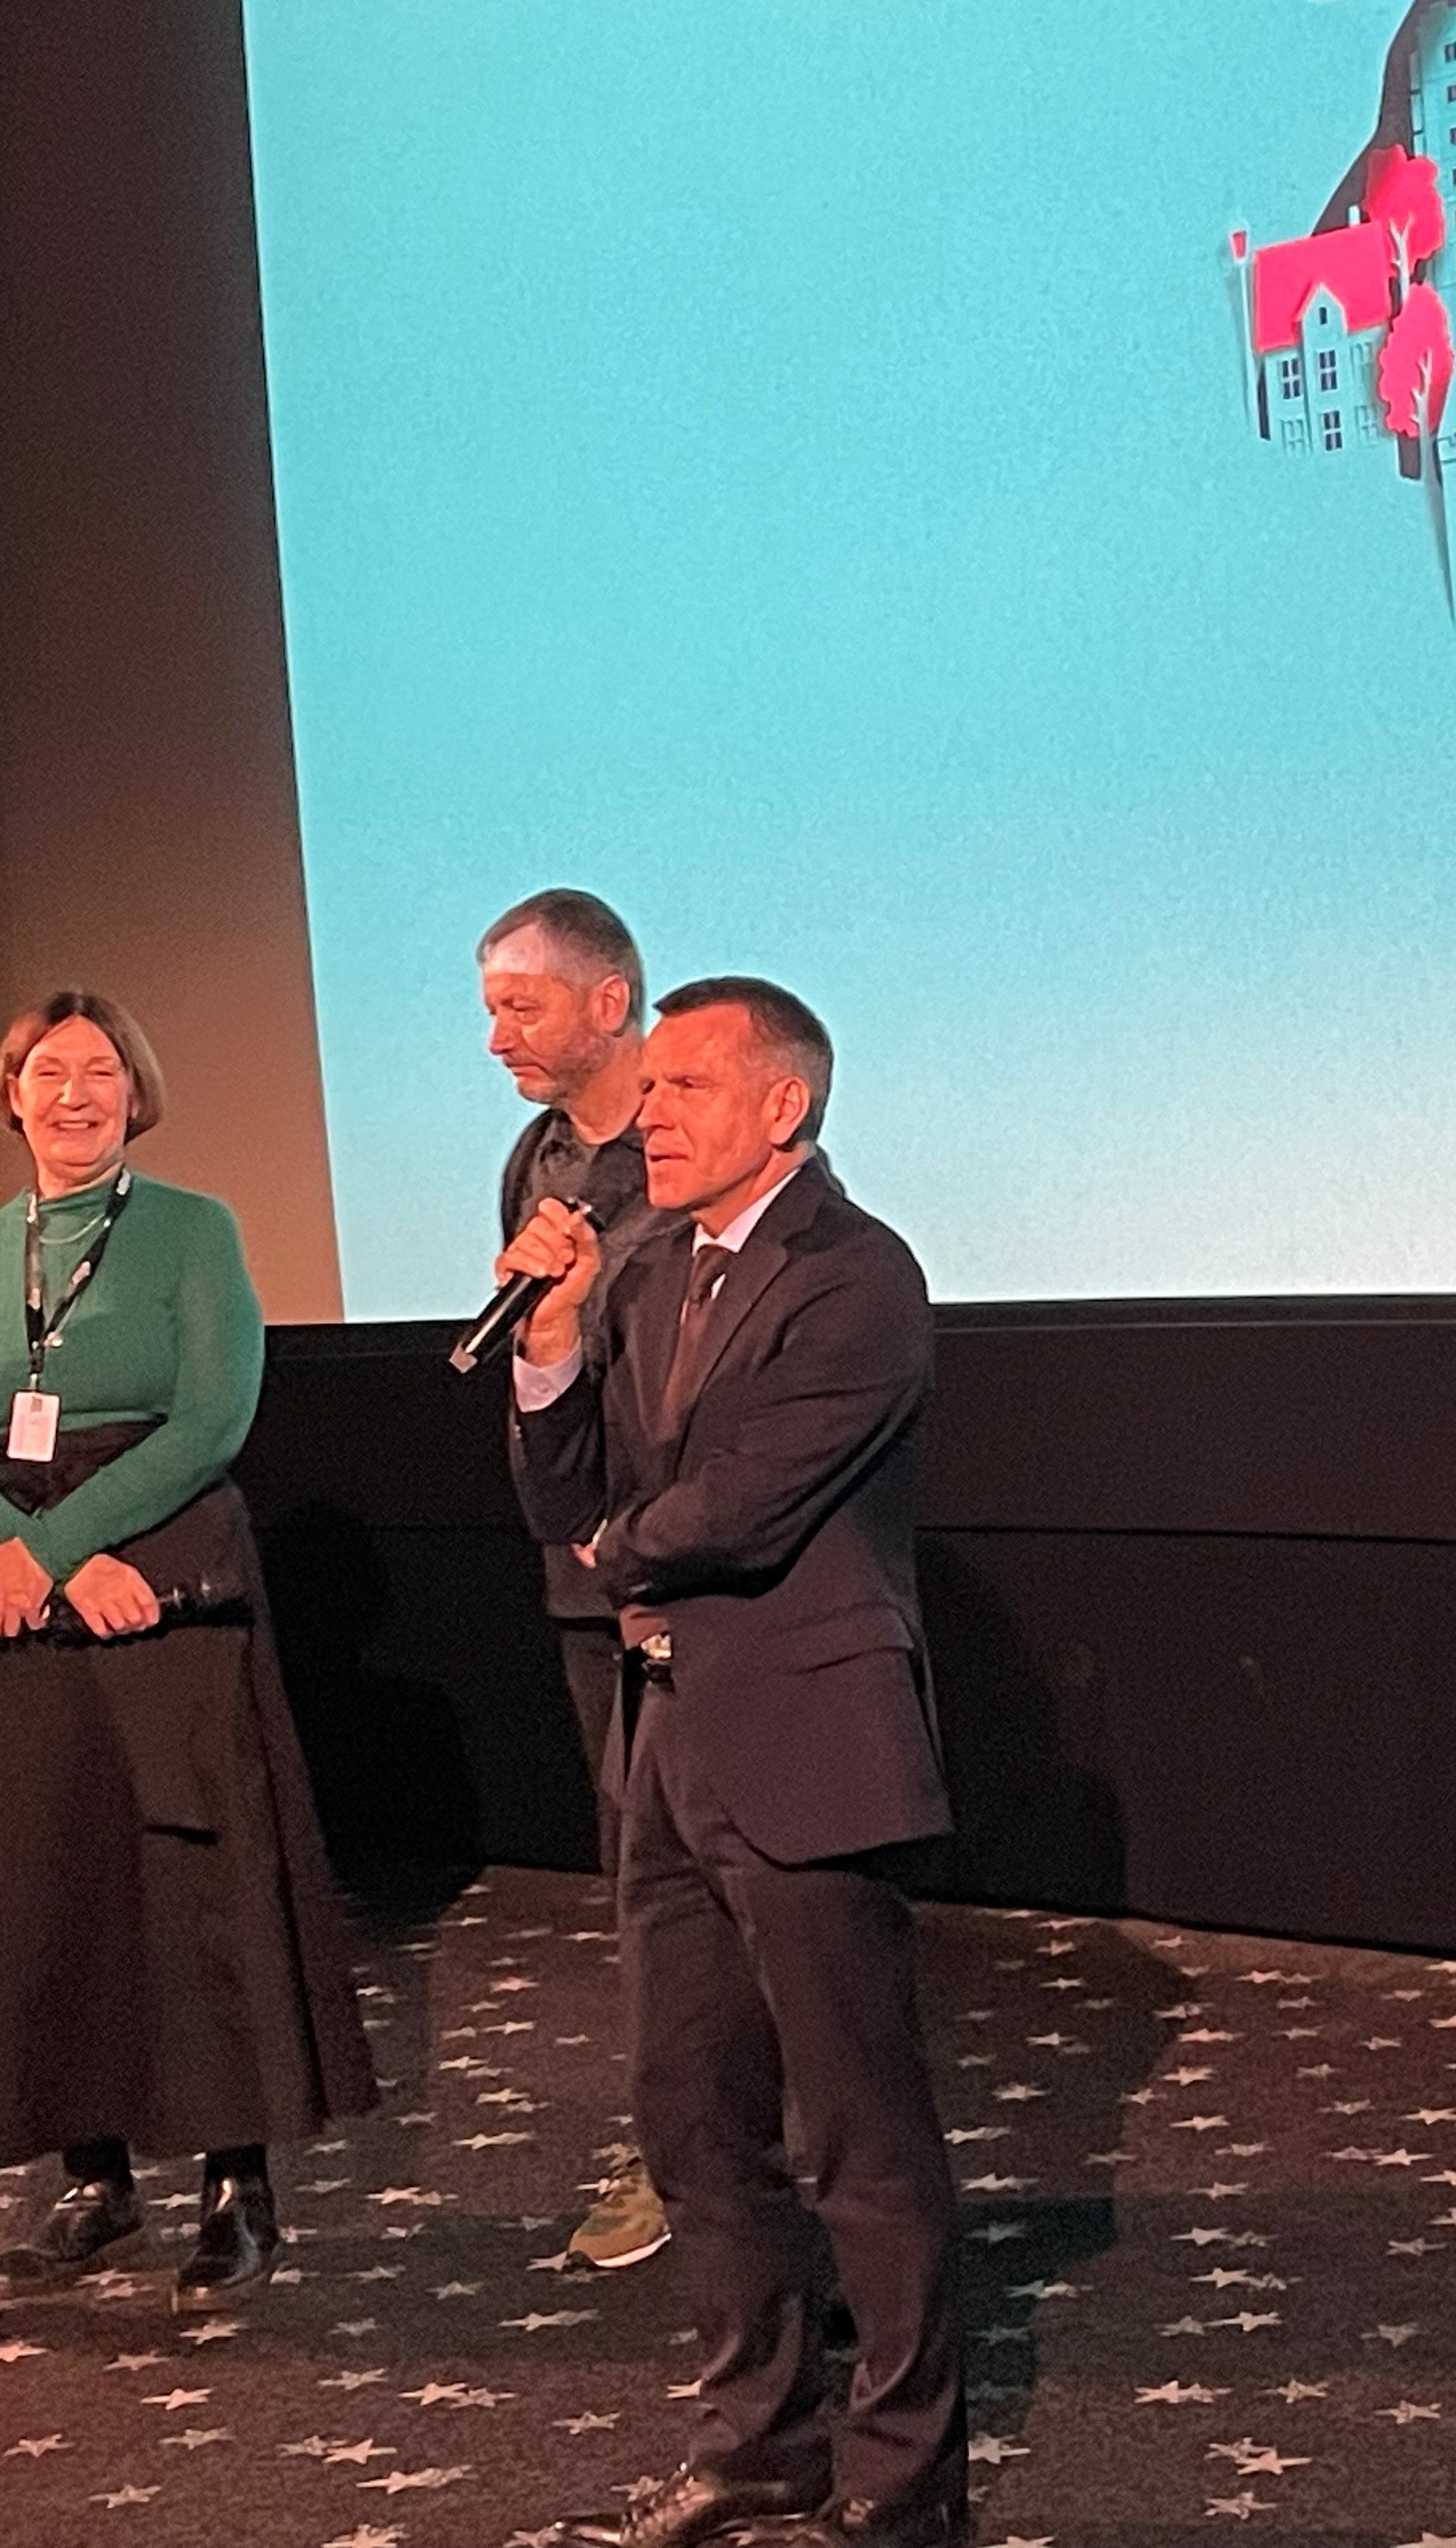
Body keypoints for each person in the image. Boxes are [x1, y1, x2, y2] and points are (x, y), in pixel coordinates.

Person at [510, 979, 965, 2548]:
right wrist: (549, 1342)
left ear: (785, 1106)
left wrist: (618, 1548)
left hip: (811, 1743)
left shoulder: (859, 1275)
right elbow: (563, 1497)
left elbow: (746, 1507)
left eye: (687, 1086)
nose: (651, 1114)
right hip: (667, 1743)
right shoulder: (645, 1273)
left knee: (857, 2135)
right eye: (650, 1089)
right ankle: (758, 2443)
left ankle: (903, 2479)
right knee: (694, 2121)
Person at [0, 991, 374, 2308]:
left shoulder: (191, 1229)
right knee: (44, 1873)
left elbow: (212, 1418)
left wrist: (58, 1553)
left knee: (189, 1872)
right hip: (5, 1571)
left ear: (135, 1091)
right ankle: (95, 2181)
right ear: (11, 1095)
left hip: (158, 1560)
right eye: (49, 1072)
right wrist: (34, 1560)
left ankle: (235, 2186)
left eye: (100, 1071)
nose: (75, 1094)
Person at [480, 888, 675, 2272]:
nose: (498, 1036)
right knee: (637, 1867)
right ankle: (673, 2135)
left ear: (609, 1002)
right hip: (584, 1568)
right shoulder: (535, 1157)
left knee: (740, 1877)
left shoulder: (699, 1133)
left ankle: (763, 2143)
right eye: (490, 1008)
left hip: (704, 1565)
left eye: (521, 1005)